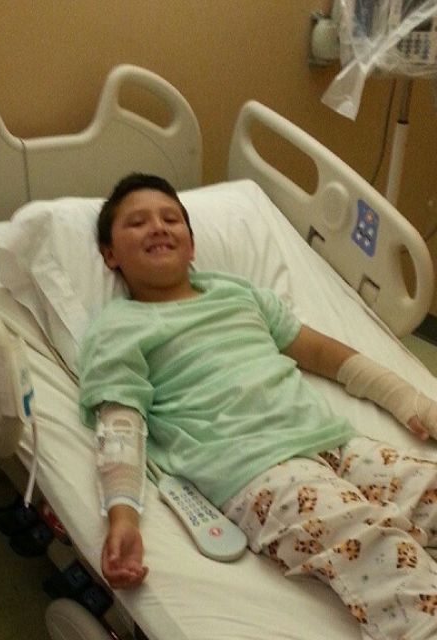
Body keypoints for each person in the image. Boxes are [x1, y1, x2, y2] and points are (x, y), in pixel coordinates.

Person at [79, 173, 437, 639]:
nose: (158, 227)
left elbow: (322, 353)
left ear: (192, 245)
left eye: (170, 218)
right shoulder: (118, 327)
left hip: (332, 442)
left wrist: (408, 400)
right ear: (110, 254)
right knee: (376, 547)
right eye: (137, 222)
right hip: (254, 470)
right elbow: (120, 425)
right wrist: (122, 515)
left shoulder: (237, 293)